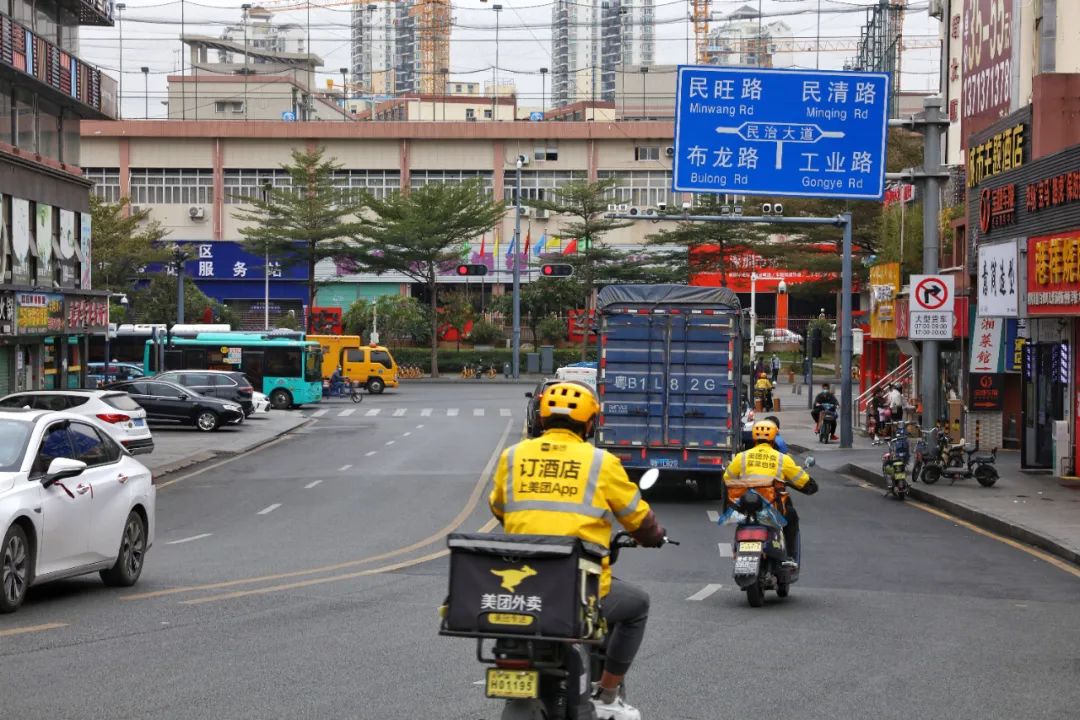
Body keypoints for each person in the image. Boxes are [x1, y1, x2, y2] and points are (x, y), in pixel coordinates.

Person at [489, 381, 666, 720]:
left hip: (522, 591)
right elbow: (638, 518)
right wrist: (653, 535)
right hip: (580, 591)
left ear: (541, 419)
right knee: (637, 605)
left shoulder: (513, 456)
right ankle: (608, 695)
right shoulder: (601, 462)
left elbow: (499, 509)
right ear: (590, 424)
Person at [722, 419, 818, 567]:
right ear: (774, 438)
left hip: (746, 508)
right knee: (792, 517)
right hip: (773, 509)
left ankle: (738, 549)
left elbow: (727, 479)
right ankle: (790, 557)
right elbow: (804, 482)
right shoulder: (782, 459)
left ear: (754, 438)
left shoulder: (742, 457)